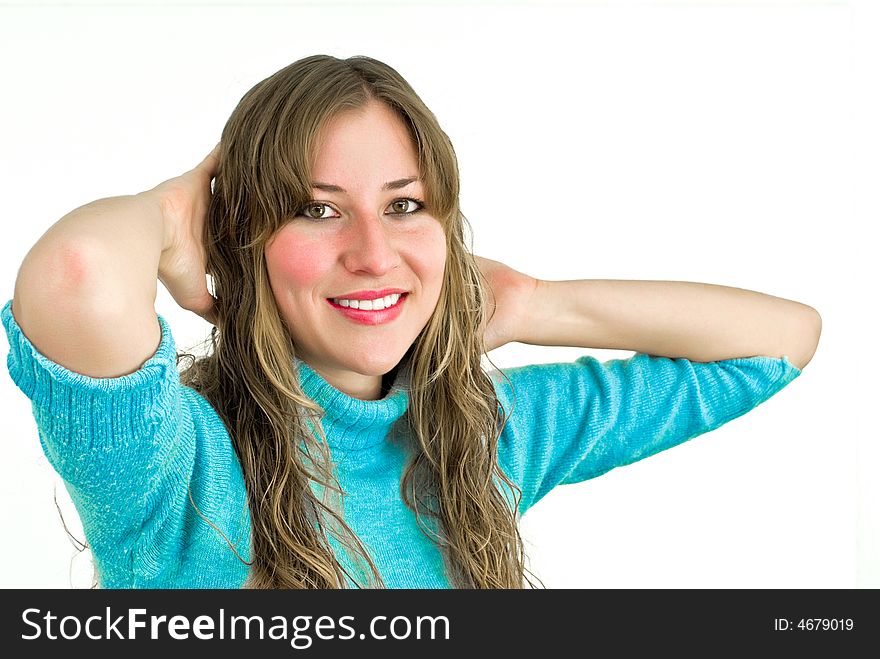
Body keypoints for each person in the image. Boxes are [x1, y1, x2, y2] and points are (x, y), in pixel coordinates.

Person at [2, 54, 821, 589]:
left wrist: (532, 303)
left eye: (404, 206)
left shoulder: (483, 436)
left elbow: (781, 341)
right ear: (242, 239)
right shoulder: (177, 468)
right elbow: (78, 276)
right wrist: (170, 209)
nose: (373, 252)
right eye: (317, 210)